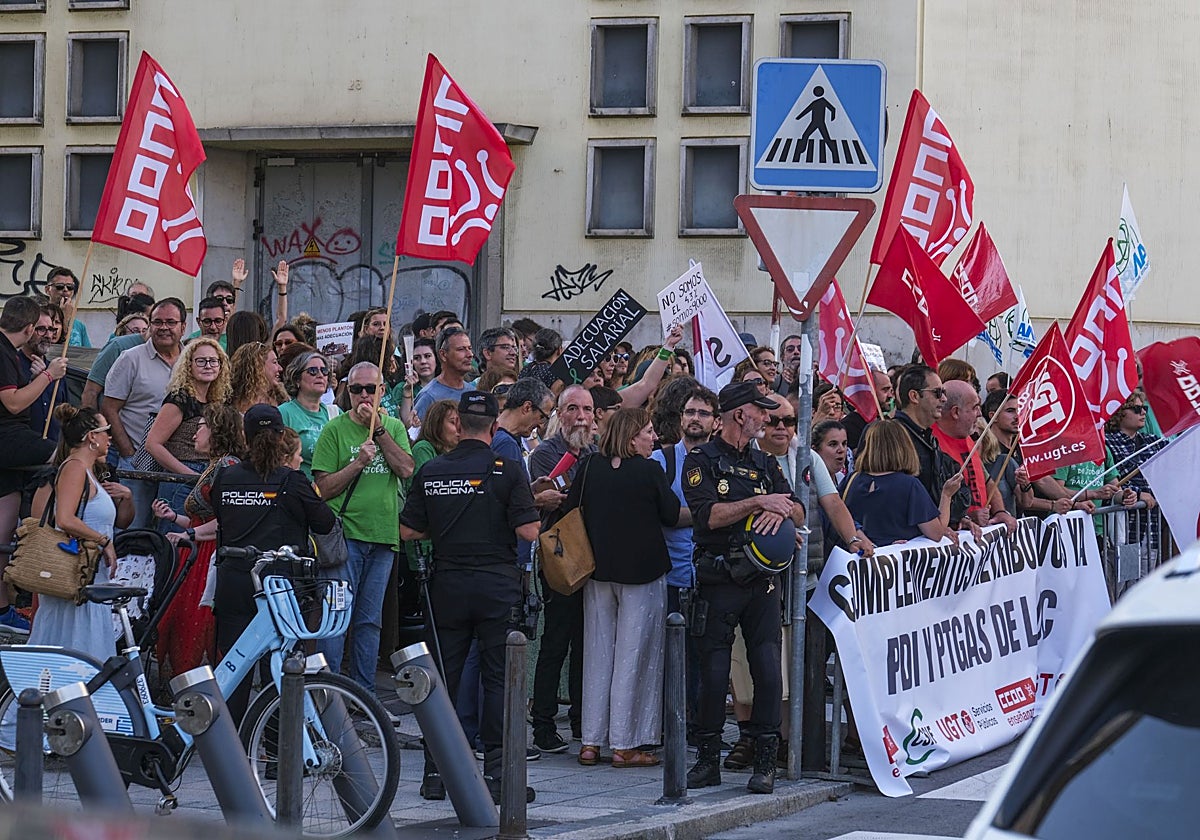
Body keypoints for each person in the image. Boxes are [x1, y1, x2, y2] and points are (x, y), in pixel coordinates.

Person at [400, 390, 539, 803]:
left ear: (458, 425)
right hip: (497, 585)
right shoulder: (509, 469)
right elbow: (529, 531)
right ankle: (497, 773)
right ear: (494, 427)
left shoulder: (433, 468)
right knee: (497, 679)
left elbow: (409, 530)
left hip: (448, 585)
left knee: (442, 679)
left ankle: (435, 773)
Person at [683, 381, 806, 795]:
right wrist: (758, 504)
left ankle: (765, 760)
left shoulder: (764, 462)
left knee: (768, 668)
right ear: (740, 414)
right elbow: (708, 516)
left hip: (763, 581)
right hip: (720, 577)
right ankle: (707, 759)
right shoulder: (701, 459)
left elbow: (796, 505)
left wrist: (783, 511)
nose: (768, 419)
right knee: (715, 671)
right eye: (762, 411)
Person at [566, 407, 678, 768]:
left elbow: (572, 509)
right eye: (647, 432)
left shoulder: (590, 468)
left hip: (596, 571)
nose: (653, 438)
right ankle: (626, 743)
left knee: (597, 654)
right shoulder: (649, 470)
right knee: (635, 656)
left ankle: (591, 741)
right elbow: (672, 513)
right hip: (642, 572)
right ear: (632, 438)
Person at [212, 404, 335, 720]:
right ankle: (274, 754)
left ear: (246, 437)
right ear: (282, 436)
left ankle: (231, 755)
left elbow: (217, 514)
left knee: (234, 669)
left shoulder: (226, 476)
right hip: (278, 586)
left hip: (234, 580)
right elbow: (324, 523)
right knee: (277, 672)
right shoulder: (291, 481)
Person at [312, 362, 414, 693]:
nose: (364, 396)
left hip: (383, 537)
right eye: (357, 389)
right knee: (337, 618)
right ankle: (331, 693)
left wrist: (380, 431)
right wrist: (357, 464)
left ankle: (364, 694)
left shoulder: (394, 426)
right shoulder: (335, 429)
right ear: (347, 391)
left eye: (371, 388)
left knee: (370, 622)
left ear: (383, 391)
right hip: (347, 538)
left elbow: (406, 469)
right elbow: (323, 488)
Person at [151, 403, 245, 686]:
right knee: (183, 624)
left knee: (196, 626)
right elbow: (201, 520)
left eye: (202, 426)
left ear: (218, 431)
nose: (195, 433)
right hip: (196, 554)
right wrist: (175, 518)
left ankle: (197, 690)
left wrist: (189, 536)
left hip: (208, 558)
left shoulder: (228, 467)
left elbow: (225, 523)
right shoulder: (215, 466)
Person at [27, 406, 130, 661]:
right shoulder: (74, 467)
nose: (110, 437)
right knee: (74, 641)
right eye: (106, 431)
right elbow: (65, 518)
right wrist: (102, 540)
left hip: (89, 574)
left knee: (81, 639)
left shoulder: (86, 472)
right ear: (91, 437)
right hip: (76, 573)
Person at [529, 385, 595, 753]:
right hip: (560, 554)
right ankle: (543, 723)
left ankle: (582, 722)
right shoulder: (546, 454)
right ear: (560, 414)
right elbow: (559, 495)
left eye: (587, 409)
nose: (581, 417)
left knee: (587, 643)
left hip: (593, 555)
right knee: (556, 641)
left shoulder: (596, 451)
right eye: (573, 409)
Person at [0, 297, 68, 631]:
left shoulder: (10, 355)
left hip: (10, 452)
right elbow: (12, 404)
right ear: (28, 329)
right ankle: (56, 523)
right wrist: (48, 377)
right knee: (64, 457)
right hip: (7, 438)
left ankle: (3, 609)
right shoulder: (2, 351)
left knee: (3, 532)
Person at [104, 297, 187, 528]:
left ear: (183, 326)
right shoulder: (130, 359)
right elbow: (110, 408)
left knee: (172, 533)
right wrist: (128, 453)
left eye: (170, 322)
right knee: (133, 530)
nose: (163, 328)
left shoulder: (192, 359)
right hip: (137, 464)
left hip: (178, 464)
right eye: (157, 322)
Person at [142, 337, 231, 528]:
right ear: (188, 365)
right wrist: (189, 475)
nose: (208, 365)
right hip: (181, 480)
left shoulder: (216, 400)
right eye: (201, 361)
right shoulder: (180, 398)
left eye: (213, 361)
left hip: (206, 475)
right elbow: (153, 444)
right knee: (176, 542)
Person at [841, 420, 960, 547]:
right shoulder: (909, 485)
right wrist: (947, 495)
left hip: (856, 560)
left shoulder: (851, 480)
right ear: (904, 447)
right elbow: (936, 533)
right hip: (893, 563)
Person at [933, 380, 1019, 532]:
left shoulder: (967, 437)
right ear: (955, 412)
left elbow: (987, 482)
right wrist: (965, 517)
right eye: (975, 407)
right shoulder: (932, 443)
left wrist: (1000, 512)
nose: (980, 413)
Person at [278, 349, 339, 479]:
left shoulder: (335, 412)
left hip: (332, 492)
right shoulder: (284, 413)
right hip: (298, 490)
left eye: (324, 371)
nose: (320, 375)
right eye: (312, 371)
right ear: (297, 379)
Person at [19, 306, 69, 443]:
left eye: (51, 329)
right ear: (28, 330)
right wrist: (36, 381)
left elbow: (65, 414)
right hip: (22, 452)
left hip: (53, 451)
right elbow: (12, 409)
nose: (48, 335)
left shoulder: (57, 369)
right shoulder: (12, 365)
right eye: (41, 329)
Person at [413, 328, 476, 421]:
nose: (470, 354)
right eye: (461, 349)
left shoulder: (473, 392)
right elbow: (416, 433)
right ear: (443, 354)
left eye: (469, 348)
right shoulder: (429, 396)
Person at [229, 341, 287, 412]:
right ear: (259, 367)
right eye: (274, 362)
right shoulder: (230, 404)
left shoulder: (282, 400)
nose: (280, 368)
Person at [43, 268, 90, 347]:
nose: (65, 290)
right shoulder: (41, 320)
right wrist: (64, 318)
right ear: (48, 290)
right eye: (59, 286)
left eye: (70, 287)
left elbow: (88, 353)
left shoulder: (79, 325)